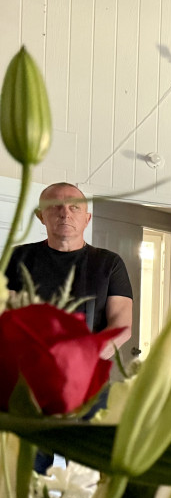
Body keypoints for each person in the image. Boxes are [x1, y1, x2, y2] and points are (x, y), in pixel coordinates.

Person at [5, 182, 133, 471]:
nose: (65, 213)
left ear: (87, 218)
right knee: (25, 472)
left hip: (90, 386)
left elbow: (122, 326)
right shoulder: (16, 259)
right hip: (28, 388)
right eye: (55, 207)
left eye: (75, 207)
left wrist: (79, 362)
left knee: (91, 471)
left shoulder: (109, 263)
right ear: (41, 216)